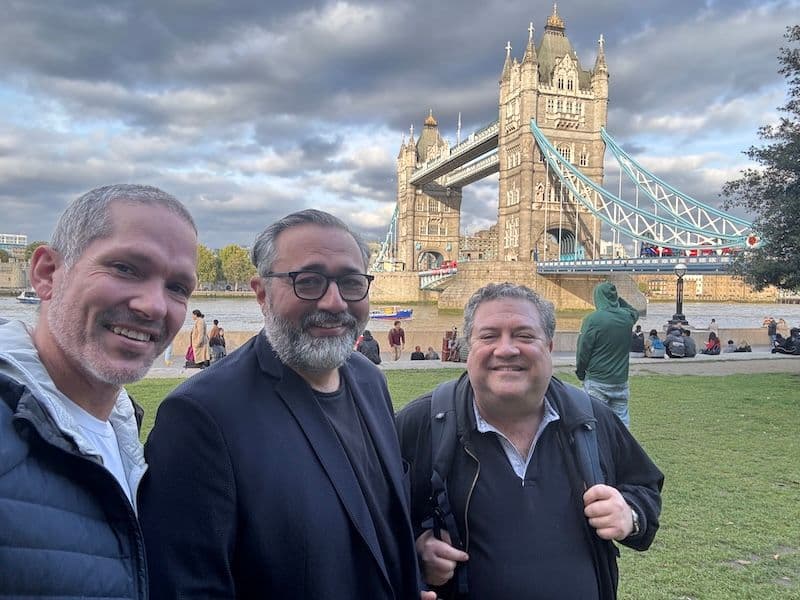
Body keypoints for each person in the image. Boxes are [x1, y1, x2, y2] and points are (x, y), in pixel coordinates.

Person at [139, 209, 430, 599]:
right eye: (308, 282)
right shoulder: (201, 416)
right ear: (261, 294)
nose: (333, 302)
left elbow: (374, 522)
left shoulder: (370, 380)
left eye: (350, 282)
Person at [396, 283, 664, 600]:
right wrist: (416, 552)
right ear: (469, 346)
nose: (507, 349)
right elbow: (376, 526)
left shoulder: (592, 419)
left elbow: (644, 488)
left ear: (548, 346)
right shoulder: (420, 424)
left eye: (524, 336)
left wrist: (629, 515)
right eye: (489, 336)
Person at [0, 184, 198, 598]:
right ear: (47, 274)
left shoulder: (127, 437)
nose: (155, 306)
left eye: (178, 287)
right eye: (125, 268)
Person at [576, 282, 639, 427]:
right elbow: (634, 311)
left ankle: (598, 449)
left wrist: (580, 372)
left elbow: (583, 350)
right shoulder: (627, 318)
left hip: (597, 380)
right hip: (620, 381)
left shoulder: (593, 319)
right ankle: (623, 448)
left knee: (595, 422)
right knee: (621, 424)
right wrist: (616, 299)